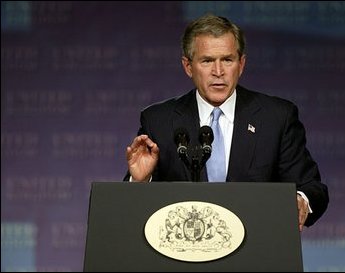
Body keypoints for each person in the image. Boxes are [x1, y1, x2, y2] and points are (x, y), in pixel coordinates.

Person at [124, 14, 329, 230]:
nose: (218, 72)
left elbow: (312, 187)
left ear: (241, 64)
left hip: (256, 251)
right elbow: (131, 210)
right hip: (184, 254)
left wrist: (301, 200)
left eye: (227, 60)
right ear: (188, 66)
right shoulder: (159, 120)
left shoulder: (277, 117)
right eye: (207, 61)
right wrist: (140, 181)